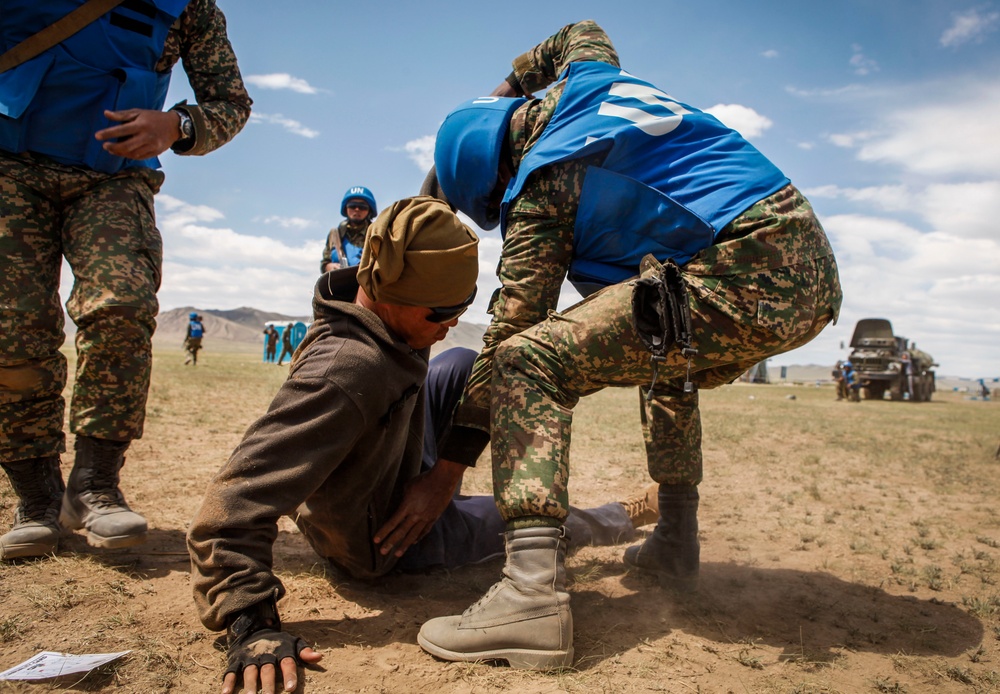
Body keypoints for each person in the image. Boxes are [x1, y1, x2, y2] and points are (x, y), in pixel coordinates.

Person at [417, 20, 843, 669]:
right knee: (661, 349)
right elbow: (583, 30)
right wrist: (507, 85)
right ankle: (676, 537)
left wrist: (447, 470)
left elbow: (512, 329)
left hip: (753, 265)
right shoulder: (590, 76)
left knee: (527, 361)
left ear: (498, 173)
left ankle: (530, 595)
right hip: (796, 255)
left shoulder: (543, 176)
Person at [187, 197, 658, 694]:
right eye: (443, 311)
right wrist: (252, 623)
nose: (452, 319)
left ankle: (445, 488)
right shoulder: (344, 372)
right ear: (395, 298)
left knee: (458, 361)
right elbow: (229, 509)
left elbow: (418, 225)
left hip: (394, 464)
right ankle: (618, 517)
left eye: (463, 305)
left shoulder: (386, 298)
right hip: (386, 537)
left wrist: (444, 474)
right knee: (534, 525)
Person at [0, 0, 252, 561]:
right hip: (8, 169)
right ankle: (35, 496)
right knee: (11, 329)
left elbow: (230, 102)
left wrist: (177, 125)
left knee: (122, 307)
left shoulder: (190, 6)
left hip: (111, 178)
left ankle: (93, 485)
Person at [320, 186, 377, 273]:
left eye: (362, 207)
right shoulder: (335, 234)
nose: (357, 210)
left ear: (369, 210)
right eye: (352, 206)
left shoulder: (377, 234)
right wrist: (329, 267)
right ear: (346, 208)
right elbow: (325, 262)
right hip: (339, 283)